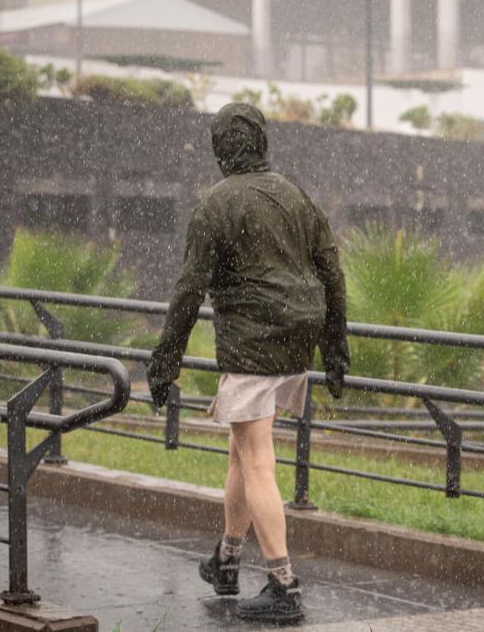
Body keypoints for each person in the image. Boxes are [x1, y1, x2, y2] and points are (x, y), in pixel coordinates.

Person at [147, 102, 349, 624]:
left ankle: (284, 586)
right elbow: (331, 270)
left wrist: (164, 363)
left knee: (257, 461)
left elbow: (190, 289)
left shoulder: (215, 205)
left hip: (252, 346)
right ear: (262, 142)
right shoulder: (294, 195)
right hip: (295, 339)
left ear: (219, 151)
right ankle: (228, 560)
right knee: (243, 451)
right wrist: (335, 349)